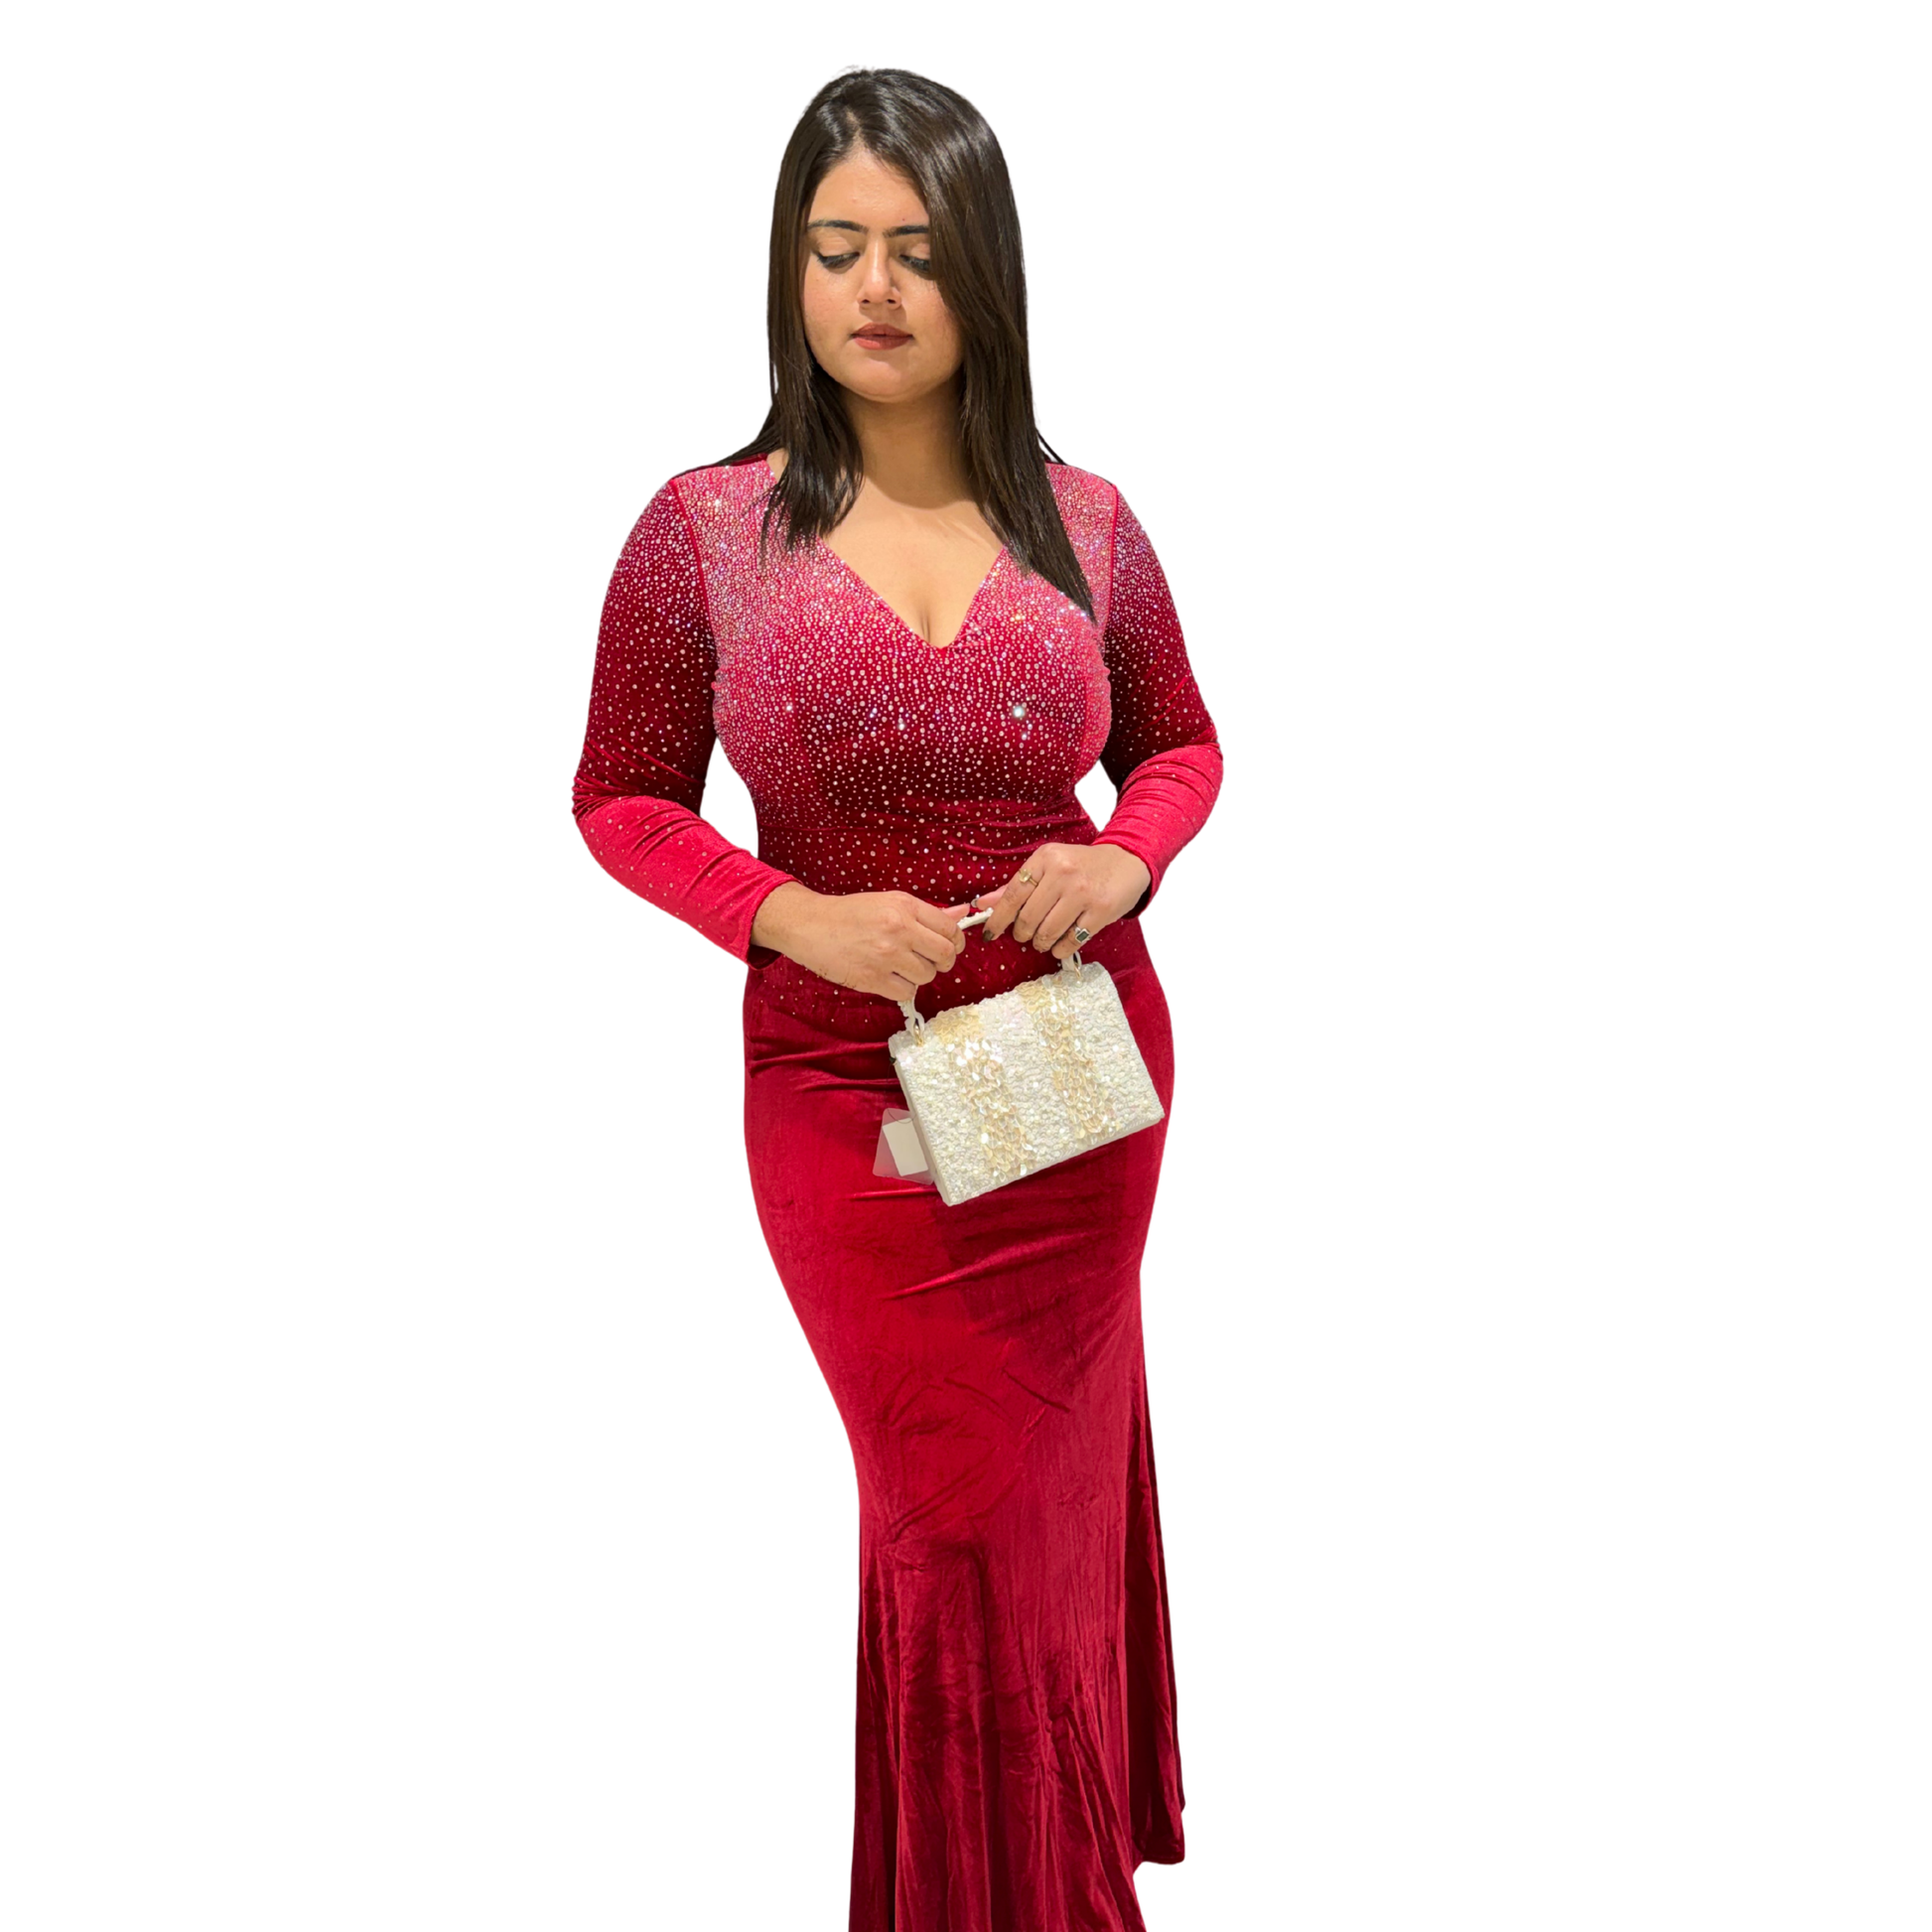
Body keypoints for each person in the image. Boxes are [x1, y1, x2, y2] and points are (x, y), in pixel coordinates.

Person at [570, 67, 1222, 1932]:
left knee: (1036, 1500)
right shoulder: (705, 527)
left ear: (983, 272)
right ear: (787, 269)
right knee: (945, 1511)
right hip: (844, 1087)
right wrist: (784, 912)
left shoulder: (1087, 519)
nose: (871, 287)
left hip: (1074, 1078)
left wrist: (1126, 858)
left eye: (917, 250)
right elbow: (620, 794)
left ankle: (1044, 1877)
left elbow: (1180, 745)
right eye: (833, 245)